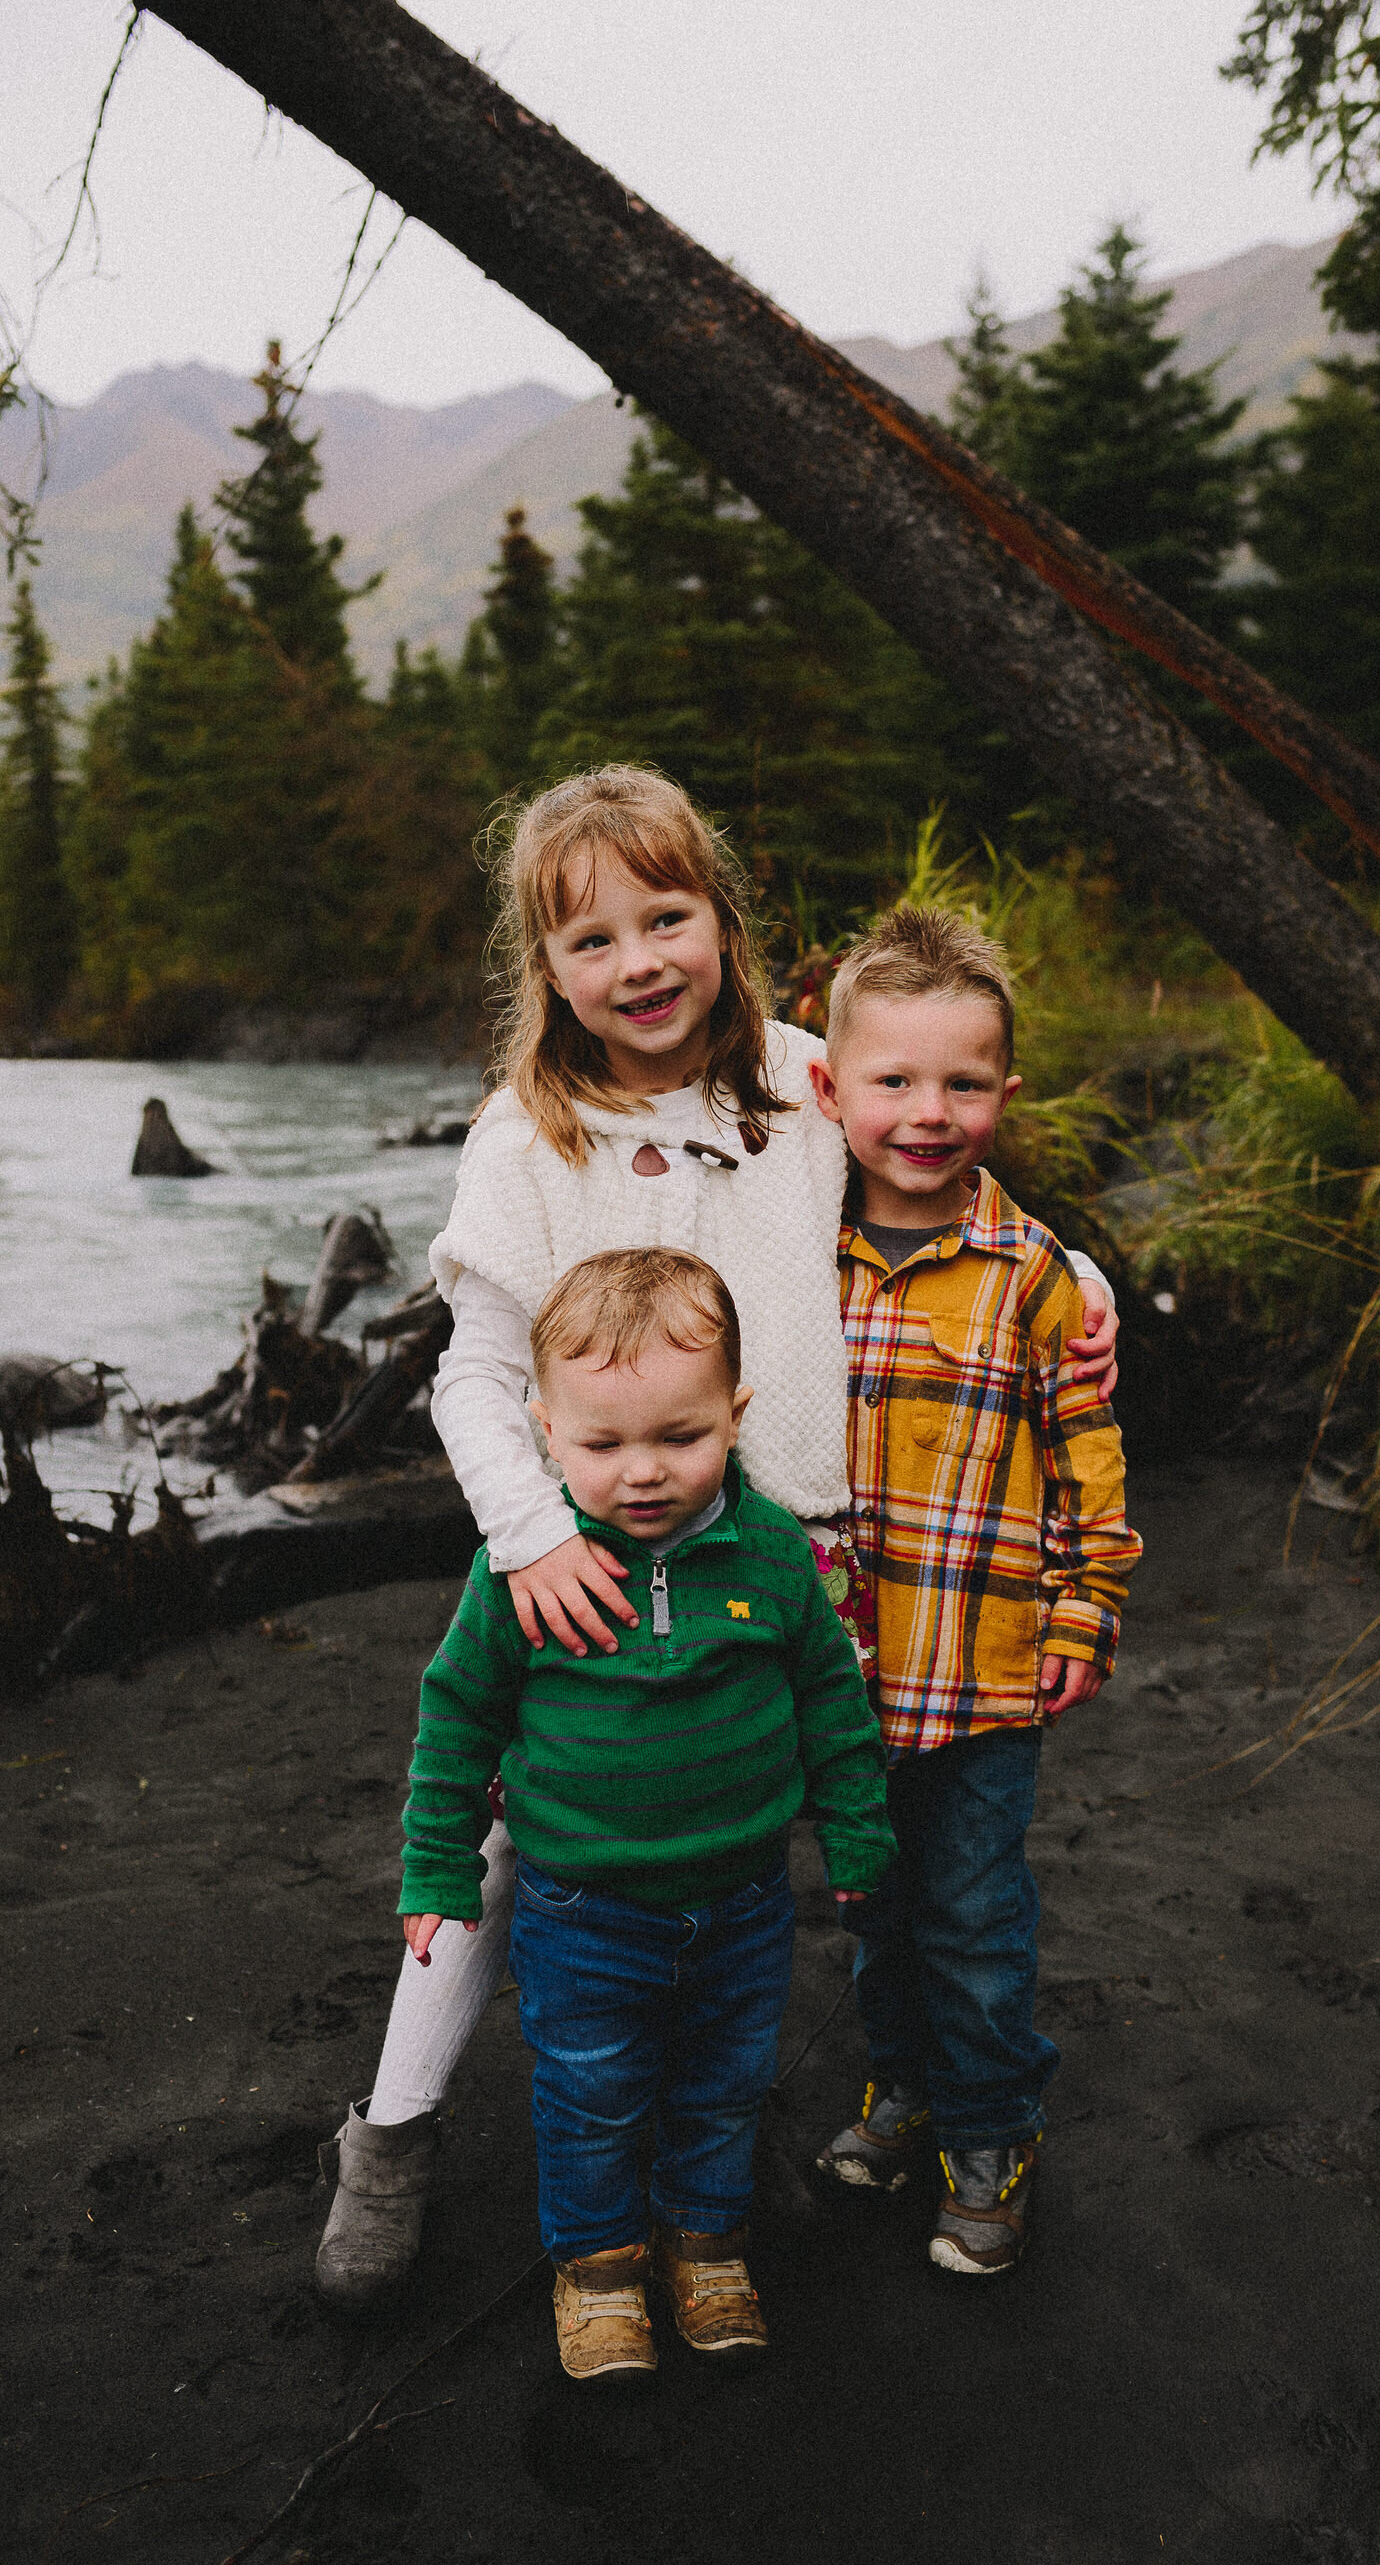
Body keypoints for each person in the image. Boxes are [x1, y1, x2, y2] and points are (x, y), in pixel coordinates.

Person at [314, 764, 1118, 2306]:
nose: (639, 964)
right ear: (544, 971)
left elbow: (927, 1137)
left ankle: (720, 2131)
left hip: (788, 1551)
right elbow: (475, 1372)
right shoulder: (526, 1134)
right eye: (592, 940)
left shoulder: (800, 1081)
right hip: (585, 1547)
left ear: (720, 921)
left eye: (666, 918)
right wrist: (533, 1535)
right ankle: (394, 2136)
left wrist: (1070, 1266)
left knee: (745, 1858)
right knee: (507, 1840)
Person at [396, 1247, 895, 2381]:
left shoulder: (770, 1556)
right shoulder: (524, 1572)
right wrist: (434, 1875)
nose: (643, 1474)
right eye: (601, 1443)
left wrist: (857, 1838)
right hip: (583, 1910)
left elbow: (830, 1703)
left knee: (723, 2087)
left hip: (745, 1902)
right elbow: (455, 1721)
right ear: (542, 1431)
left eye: (680, 1436)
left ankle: (707, 2249)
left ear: (735, 1412)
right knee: (590, 2096)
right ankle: (599, 2272)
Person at [807, 904, 1142, 2276]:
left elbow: (1089, 1471)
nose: (925, 1112)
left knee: (975, 1918)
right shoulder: (788, 1263)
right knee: (872, 1910)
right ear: (829, 1091)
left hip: (985, 1669)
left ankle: (994, 2127)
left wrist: (1084, 1611)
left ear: (1006, 1092)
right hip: (833, 1678)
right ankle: (902, 2087)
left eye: (961, 1082)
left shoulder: (1039, 1280)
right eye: (891, 1080)